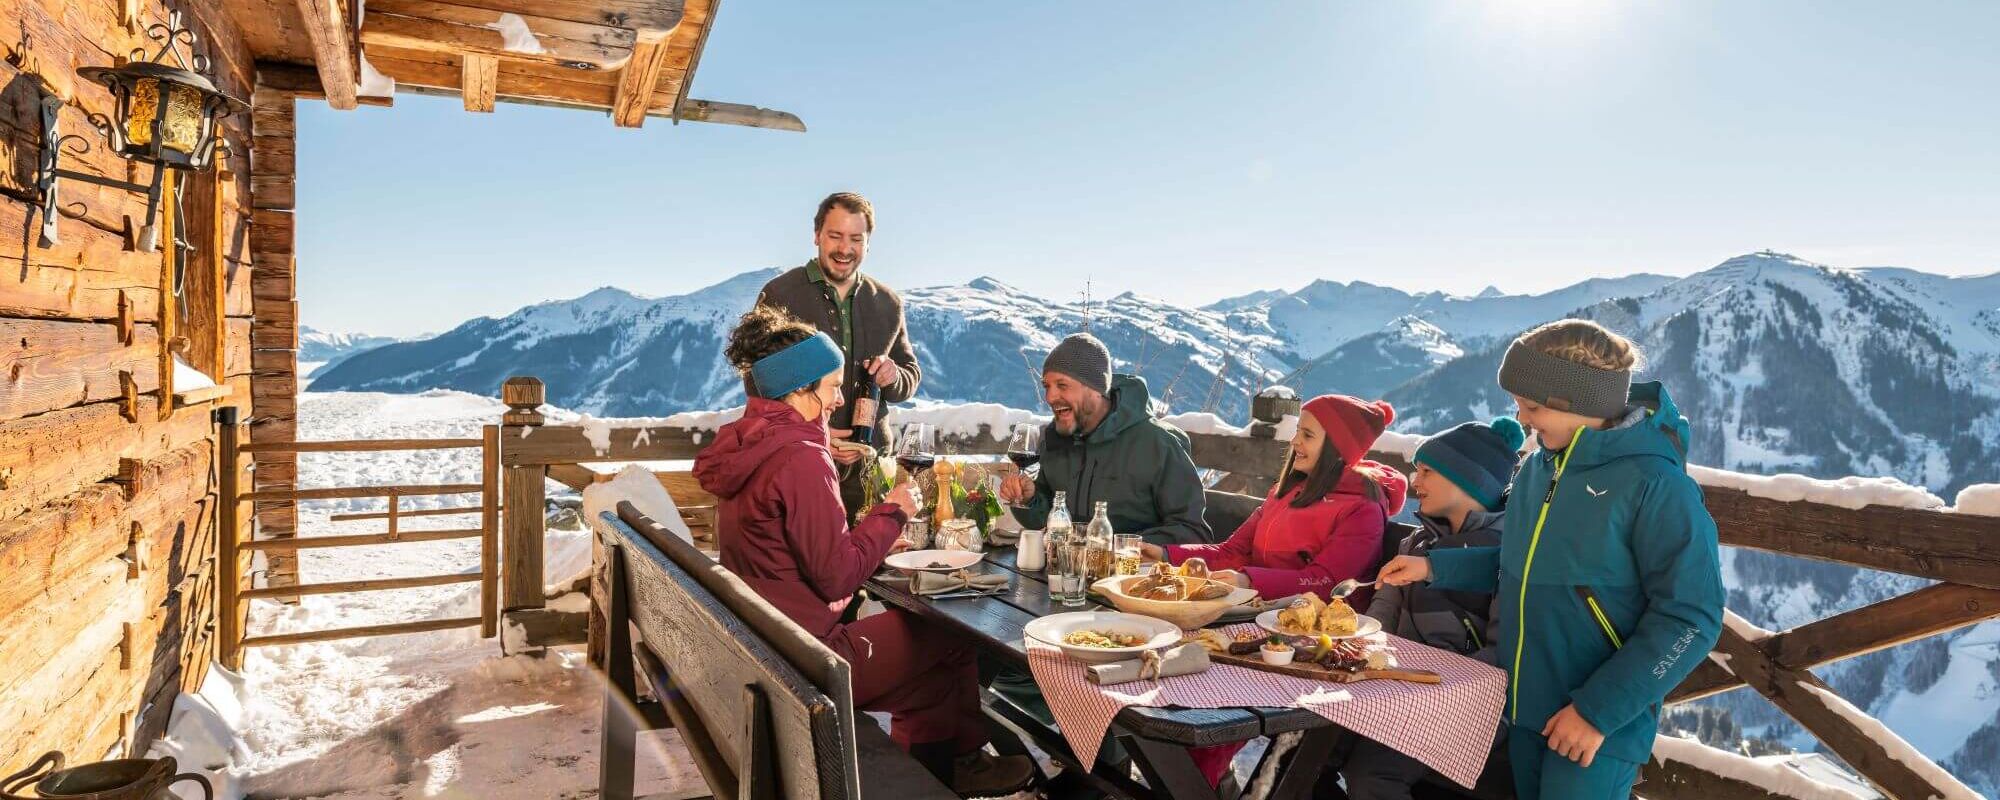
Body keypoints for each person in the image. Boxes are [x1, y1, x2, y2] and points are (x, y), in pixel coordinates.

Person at [1377, 319, 1724, 800]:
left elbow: (1691, 617)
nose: (1521, 420)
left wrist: (1597, 712)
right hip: (1526, 710)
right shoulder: (1539, 469)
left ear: (1579, 404)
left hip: (1594, 728)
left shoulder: (1655, 484)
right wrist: (1434, 567)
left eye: (1533, 406)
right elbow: (1521, 562)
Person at [695, 306, 1034, 797]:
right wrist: (892, 512)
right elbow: (835, 577)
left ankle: (949, 771)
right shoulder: (800, 458)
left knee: (933, 676)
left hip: (767, 643)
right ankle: (958, 765)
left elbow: (797, 554)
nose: (838, 399)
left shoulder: (752, 443)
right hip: (808, 659)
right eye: (831, 386)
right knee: (951, 630)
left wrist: (870, 538)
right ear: (799, 389)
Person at [1139, 394, 1409, 789]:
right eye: (1297, 431)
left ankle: (1196, 784)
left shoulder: (1361, 508)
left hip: (1311, 648)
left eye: (1308, 435)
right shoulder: (1287, 493)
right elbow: (1232, 551)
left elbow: (1327, 582)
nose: (1295, 442)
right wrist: (1165, 552)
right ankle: (1197, 783)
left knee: (1204, 711)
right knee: (1160, 676)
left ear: (1336, 447)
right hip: (1252, 625)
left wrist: (1250, 580)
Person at [1332, 417, 1523, 799]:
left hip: (1470, 703)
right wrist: (1355, 640)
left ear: (1468, 480)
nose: (1415, 484)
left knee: (1373, 774)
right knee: (1315, 740)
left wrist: (1431, 689)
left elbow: (1504, 652)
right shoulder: (1416, 544)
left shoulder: (1510, 551)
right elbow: (1381, 616)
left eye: (1426, 471)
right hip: (1402, 690)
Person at [752, 192, 921, 512]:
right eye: (835, 236)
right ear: (817, 235)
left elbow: (909, 373)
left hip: (871, 473)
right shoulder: (779, 294)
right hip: (799, 465)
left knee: (875, 560)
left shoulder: (888, 302)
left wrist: (893, 375)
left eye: (856, 239)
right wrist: (815, 434)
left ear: (868, 243)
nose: (845, 249)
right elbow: (757, 381)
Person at [998, 332, 1211, 545]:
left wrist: (1119, 547)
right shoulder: (1056, 439)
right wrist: (1031, 498)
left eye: (1062, 385)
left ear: (1096, 389)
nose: (1050, 397)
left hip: (1132, 575)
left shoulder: (1158, 444)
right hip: (1061, 572)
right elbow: (1048, 517)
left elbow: (1193, 532)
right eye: (1047, 386)